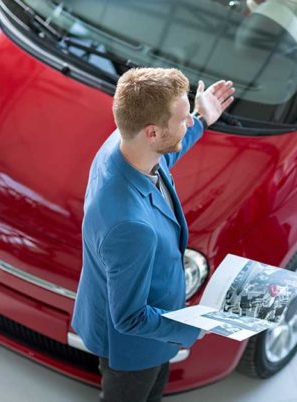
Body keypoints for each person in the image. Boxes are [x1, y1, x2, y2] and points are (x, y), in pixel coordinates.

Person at [71, 67, 234, 402]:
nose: (187, 121)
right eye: (183, 117)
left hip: (151, 326)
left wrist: (202, 118)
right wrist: (193, 328)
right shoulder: (130, 225)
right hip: (132, 349)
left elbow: (167, 152)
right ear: (152, 132)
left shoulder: (123, 146)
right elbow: (129, 318)